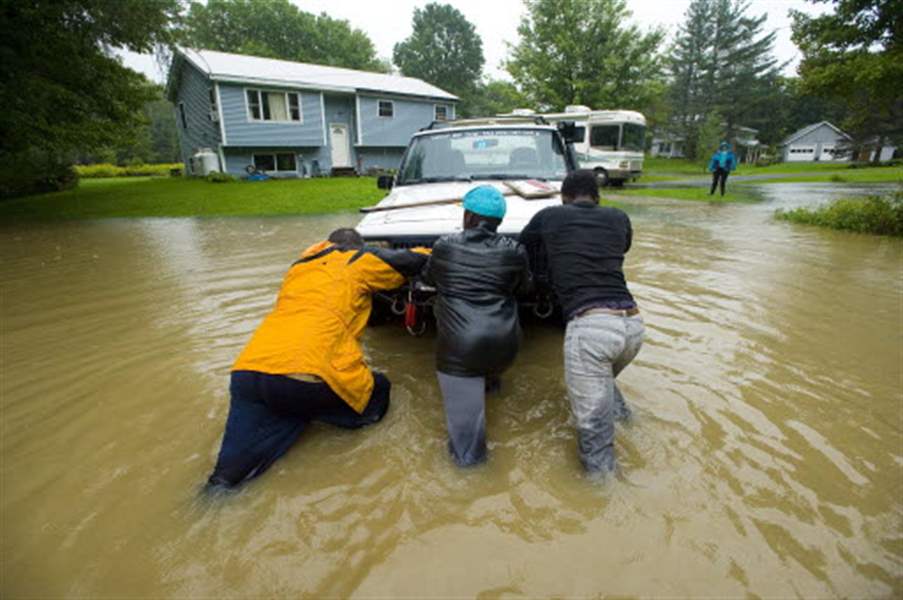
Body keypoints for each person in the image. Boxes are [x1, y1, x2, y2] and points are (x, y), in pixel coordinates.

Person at [207, 228, 428, 489]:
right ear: (357, 248)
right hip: (310, 375)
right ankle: (331, 421)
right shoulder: (357, 260)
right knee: (379, 388)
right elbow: (415, 261)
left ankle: (216, 491)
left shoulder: (298, 268)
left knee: (230, 473)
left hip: (248, 371)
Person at [520, 170, 644, 475]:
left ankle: (602, 506)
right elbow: (620, 249)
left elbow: (524, 250)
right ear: (598, 197)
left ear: (563, 197)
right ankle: (632, 427)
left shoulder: (549, 216)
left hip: (591, 329)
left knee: (595, 442)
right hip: (633, 326)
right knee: (604, 388)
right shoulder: (618, 217)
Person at [422, 186, 531, 466]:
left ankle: (473, 489)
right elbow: (525, 288)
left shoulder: (445, 246)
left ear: (469, 216)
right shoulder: (515, 250)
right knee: (487, 378)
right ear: (498, 221)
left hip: (461, 350)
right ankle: (489, 385)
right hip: (505, 346)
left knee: (466, 449)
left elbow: (429, 279)